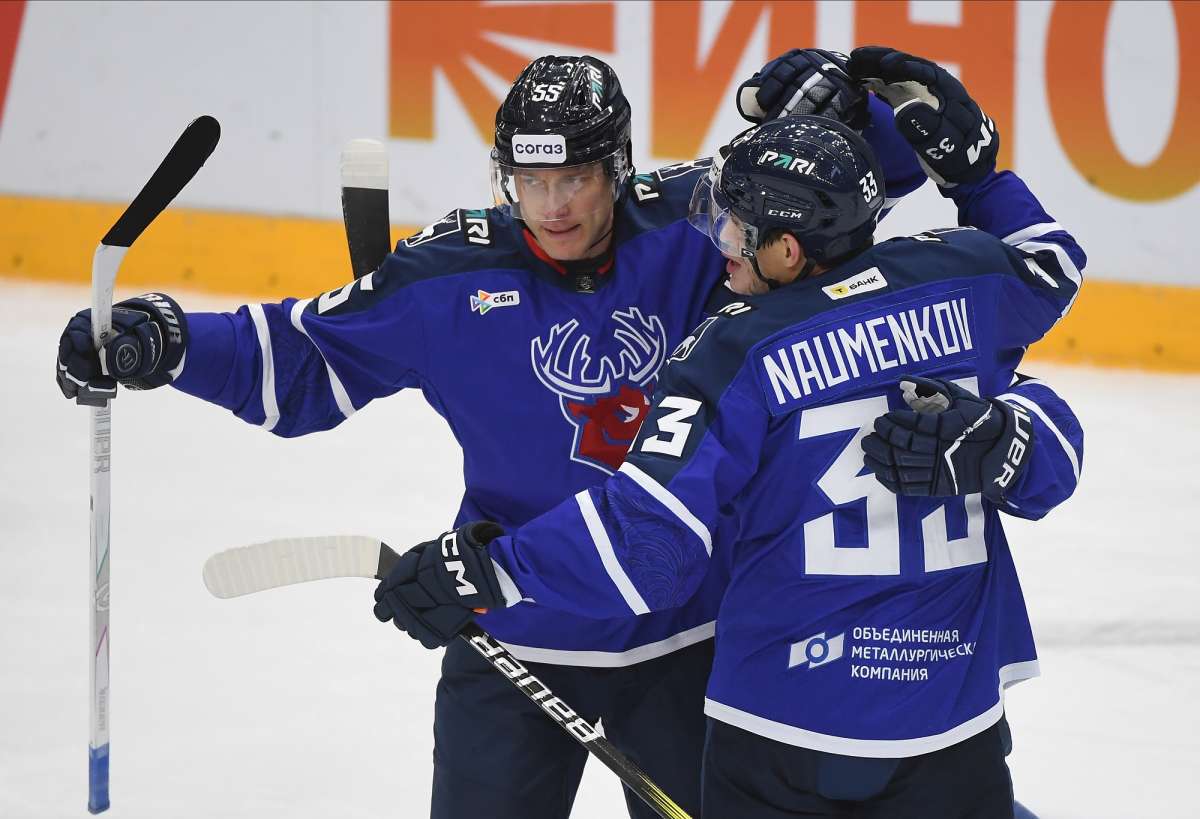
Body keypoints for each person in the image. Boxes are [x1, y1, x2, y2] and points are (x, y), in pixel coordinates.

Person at [53, 50, 945, 819]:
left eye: (575, 179)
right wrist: (163, 340)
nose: (551, 205)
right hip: (511, 628)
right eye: (530, 180)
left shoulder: (695, 222)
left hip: (694, 635)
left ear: (618, 168)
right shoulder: (451, 273)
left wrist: (852, 106)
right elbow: (296, 359)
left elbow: (854, 194)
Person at [371, 48, 1084, 818]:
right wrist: (978, 181)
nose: (718, 241)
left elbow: (644, 541)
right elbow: (1051, 272)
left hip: (782, 721)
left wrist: (490, 569)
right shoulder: (955, 281)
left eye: (735, 225)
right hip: (950, 711)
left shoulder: (731, 352)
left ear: (786, 249)